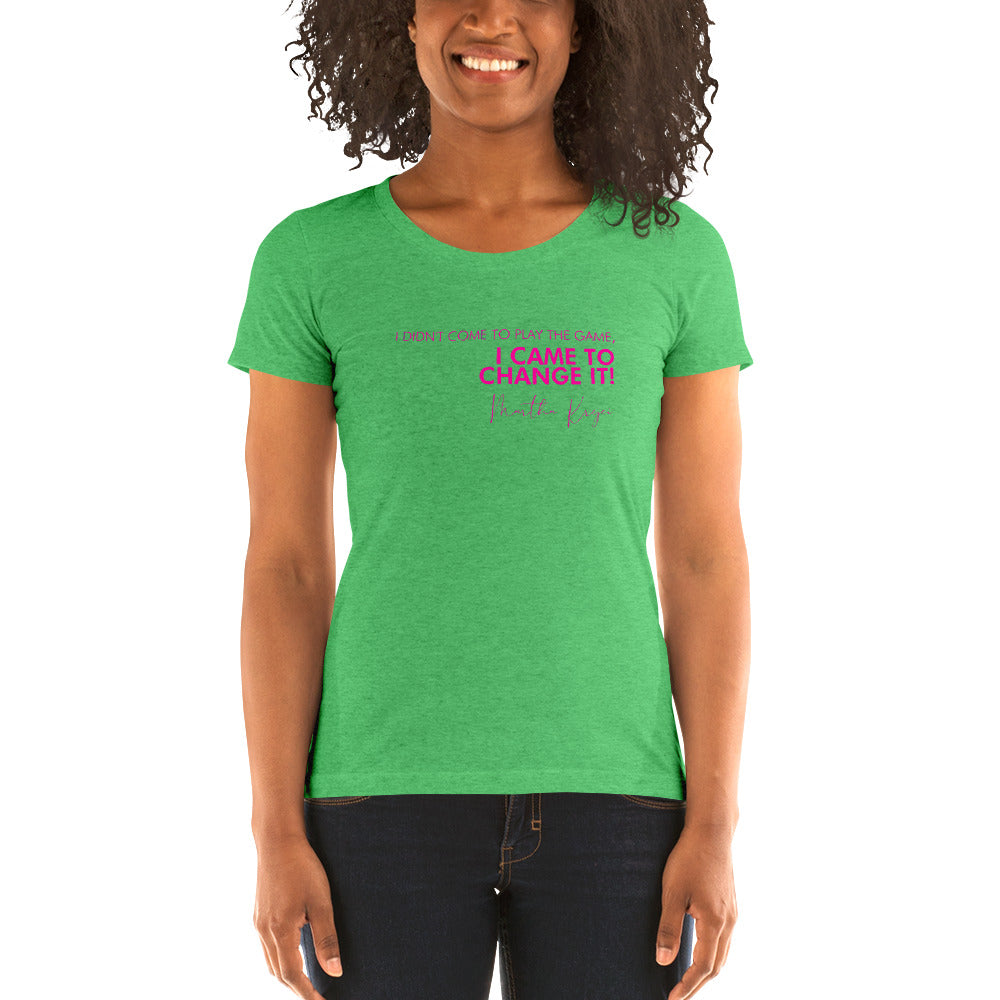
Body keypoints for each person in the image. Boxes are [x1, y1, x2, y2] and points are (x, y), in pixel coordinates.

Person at [227, 1, 753, 998]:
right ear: (397, 17)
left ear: (589, 25)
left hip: (620, 803)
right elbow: (285, 565)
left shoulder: (674, 255)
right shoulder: (312, 259)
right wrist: (276, 830)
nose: (493, 15)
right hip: (377, 800)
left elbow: (704, 558)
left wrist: (715, 822)